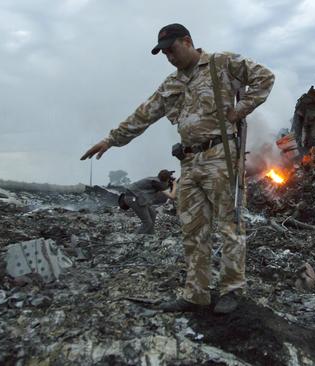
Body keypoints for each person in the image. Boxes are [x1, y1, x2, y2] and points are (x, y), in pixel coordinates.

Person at [80, 23, 275, 314]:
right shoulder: (172, 84)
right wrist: (111, 139)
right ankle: (196, 294)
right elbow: (144, 114)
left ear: (187, 42)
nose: (169, 56)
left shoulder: (221, 64)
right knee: (193, 230)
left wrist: (241, 109)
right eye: (164, 53)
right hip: (189, 161)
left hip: (221, 157)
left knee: (230, 225)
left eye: (172, 50)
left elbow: (265, 78)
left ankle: (232, 289)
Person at [117, 169, 176, 234]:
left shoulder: (156, 180)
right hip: (133, 198)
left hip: (138, 198)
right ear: (166, 179)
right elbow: (172, 196)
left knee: (153, 214)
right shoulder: (157, 183)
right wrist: (175, 185)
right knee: (147, 222)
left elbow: (164, 185)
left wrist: (169, 183)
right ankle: (133, 237)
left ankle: (150, 234)